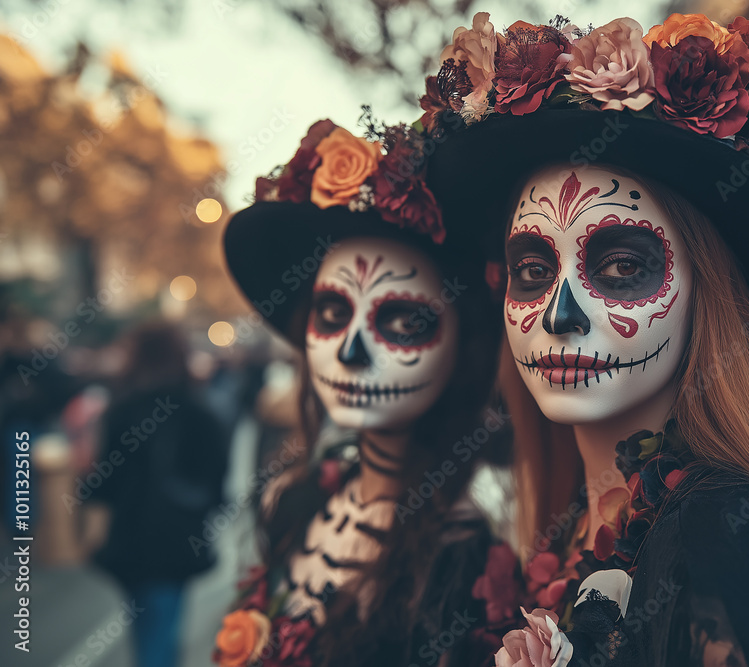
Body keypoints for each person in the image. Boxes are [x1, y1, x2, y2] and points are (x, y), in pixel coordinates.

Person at [421, 12, 749, 666]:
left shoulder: (731, 541)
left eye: (621, 266)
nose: (559, 315)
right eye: (532, 270)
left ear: (707, 295)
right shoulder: (570, 522)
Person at [216, 117, 504, 666]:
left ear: (462, 347)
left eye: (402, 322)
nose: (350, 352)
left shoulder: (467, 550)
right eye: (332, 313)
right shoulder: (293, 500)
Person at [89, 321, 228, 667]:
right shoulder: (201, 413)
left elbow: (105, 483)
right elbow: (216, 485)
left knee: (146, 628)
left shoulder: (122, 410)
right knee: (162, 629)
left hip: (130, 541)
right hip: (177, 541)